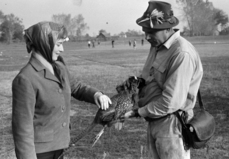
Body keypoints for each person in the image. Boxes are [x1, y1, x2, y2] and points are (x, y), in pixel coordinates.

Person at [11, 21, 112, 159]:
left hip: (61, 146)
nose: (62, 49)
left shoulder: (59, 67)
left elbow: (75, 87)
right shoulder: (25, 79)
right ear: (44, 44)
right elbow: (22, 130)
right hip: (39, 153)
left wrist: (97, 95)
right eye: (58, 44)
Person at [122, 1, 203, 159]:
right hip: (155, 121)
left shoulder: (181, 53)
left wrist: (137, 112)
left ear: (168, 28)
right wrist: (135, 84)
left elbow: (171, 102)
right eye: (145, 31)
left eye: (151, 31)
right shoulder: (157, 46)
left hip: (172, 126)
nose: (146, 37)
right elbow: (149, 79)